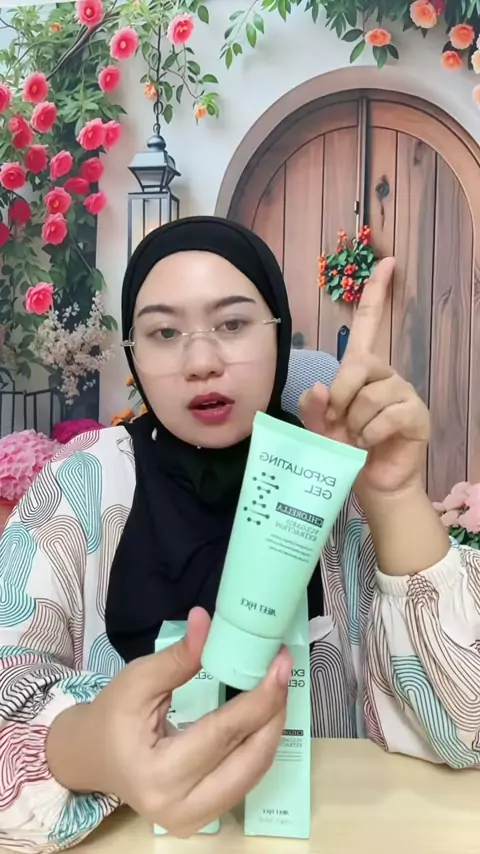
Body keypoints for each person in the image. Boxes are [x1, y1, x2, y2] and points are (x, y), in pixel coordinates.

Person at [1, 217, 480, 853]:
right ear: (134, 355)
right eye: (164, 333)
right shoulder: (81, 485)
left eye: (232, 324)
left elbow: (467, 729)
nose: (202, 362)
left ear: (279, 334)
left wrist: (393, 499)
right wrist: (91, 749)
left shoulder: (340, 479)